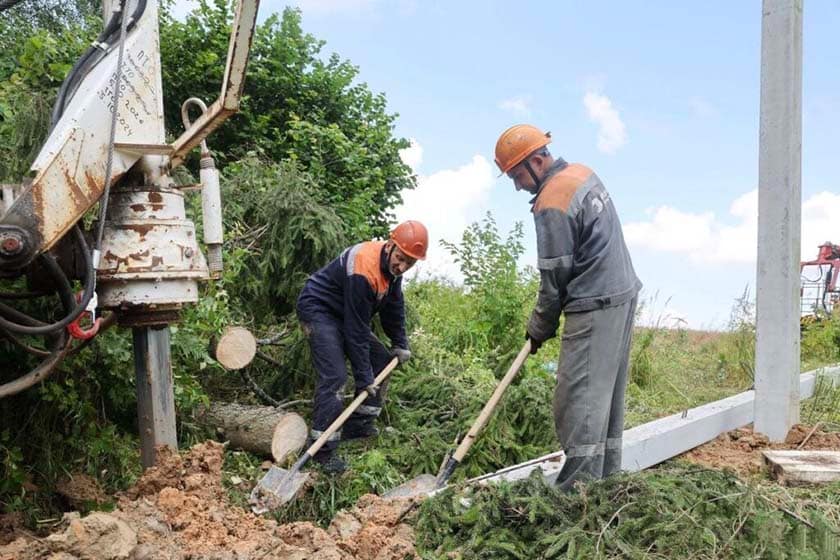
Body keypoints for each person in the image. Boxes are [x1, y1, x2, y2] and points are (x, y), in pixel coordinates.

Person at [495, 124, 641, 490]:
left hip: (595, 302)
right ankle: (606, 485)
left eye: (516, 174)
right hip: (621, 294)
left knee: (578, 401)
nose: (517, 185)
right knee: (606, 400)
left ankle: (577, 497)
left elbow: (554, 279)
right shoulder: (582, 173)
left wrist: (538, 327)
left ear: (538, 160)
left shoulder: (552, 202)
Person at [296, 220, 428, 474]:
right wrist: (363, 377)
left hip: (345, 313)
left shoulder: (392, 272)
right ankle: (321, 452)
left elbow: (394, 307)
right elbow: (356, 330)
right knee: (335, 376)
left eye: (409, 264)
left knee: (382, 361)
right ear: (390, 246)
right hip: (319, 309)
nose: (401, 267)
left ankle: (357, 426)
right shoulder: (363, 267)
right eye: (400, 259)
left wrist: (401, 343)